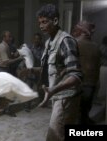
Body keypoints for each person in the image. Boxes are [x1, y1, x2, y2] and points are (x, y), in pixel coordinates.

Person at [36, 4, 83, 141]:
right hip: (57, 95)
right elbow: (54, 69)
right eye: (39, 23)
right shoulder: (49, 42)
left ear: (55, 21)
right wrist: (31, 70)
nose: (41, 26)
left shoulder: (66, 41)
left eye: (44, 22)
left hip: (66, 96)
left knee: (54, 136)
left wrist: (53, 89)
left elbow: (76, 75)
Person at [72, 21, 101, 124]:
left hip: (80, 83)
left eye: (75, 30)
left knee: (79, 112)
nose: (74, 32)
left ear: (80, 31)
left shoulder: (75, 43)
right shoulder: (96, 46)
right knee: (84, 110)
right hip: (90, 83)